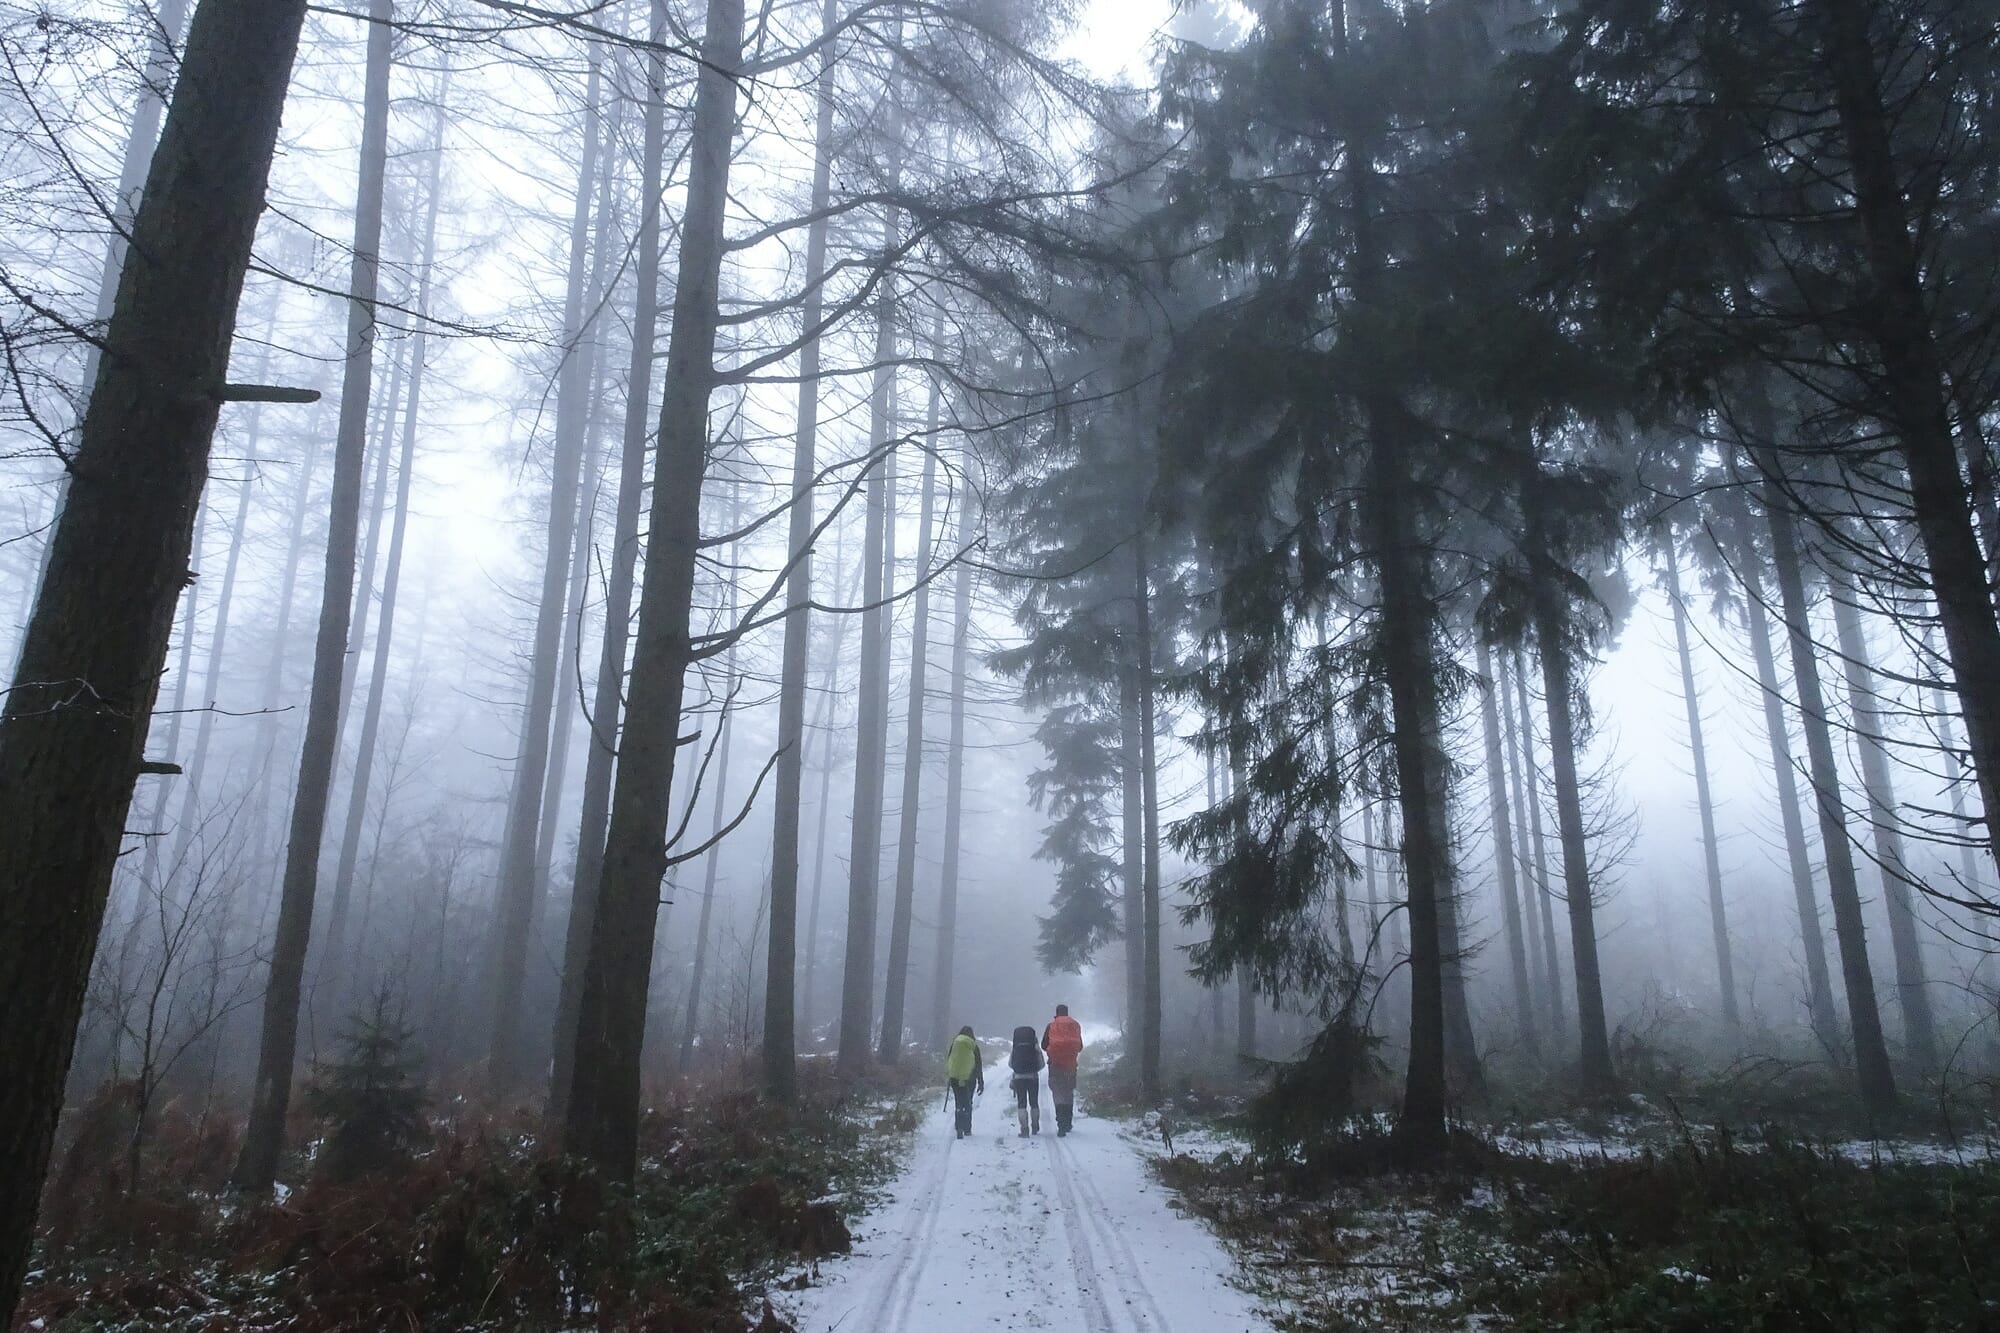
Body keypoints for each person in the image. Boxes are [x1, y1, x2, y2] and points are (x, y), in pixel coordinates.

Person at [1041, 1004, 1084, 1136]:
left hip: (1055, 1065)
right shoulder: (1075, 1025)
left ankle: (1061, 1125)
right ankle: (1068, 1123)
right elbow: (1080, 1046)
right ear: (1067, 1013)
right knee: (1068, 1093)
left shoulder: (1051, 1026)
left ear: (1056, 1013)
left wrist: (1054, 1052)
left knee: (1058, 1094)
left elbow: (1044, 1045)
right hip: (1070, 1065)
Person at [944, 1026, 984, 1138]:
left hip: (955, 1078)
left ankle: (959, 1127)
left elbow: (950, 1059)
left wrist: (949, 1073)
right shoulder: (973, 1045)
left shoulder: (955, 1043)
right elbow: (978, 1064)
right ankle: (967, 1128)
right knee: (968, 1102)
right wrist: (980, 1081)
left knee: (958, 1101)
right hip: (969, 1078)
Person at [1008, 1024, 1044, 1137]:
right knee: (1034, 1102)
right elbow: (1042, 1064)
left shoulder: (1016, 1048)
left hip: (1019, 1078)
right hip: (1033, 1077)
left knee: (1021, 1103)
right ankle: (1035, 1126)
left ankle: (1024, 1129)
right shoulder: (1035, 1047)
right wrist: (1034, 1069)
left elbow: (1010, 1064)